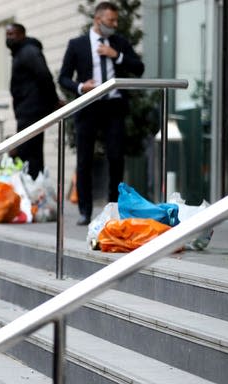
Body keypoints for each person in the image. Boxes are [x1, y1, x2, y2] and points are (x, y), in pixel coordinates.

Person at [58, 1, 145, 225]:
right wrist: (80, 87)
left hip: (114, 107)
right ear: (98, 20)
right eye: (110, 21)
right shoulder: (76, 44)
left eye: (116, 20)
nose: (114, 25)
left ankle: (113, 207)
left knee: (116, 157)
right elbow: (63, 78)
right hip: (88, 106)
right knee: (84, 159)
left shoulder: (119, 43)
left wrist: (117, 55)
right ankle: (85, 211)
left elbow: (139, 68)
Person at [6, 23, 60, 179]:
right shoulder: (20, 52)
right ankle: (34, 189)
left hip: (32, 110)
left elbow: (44, 75)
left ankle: (33, 189)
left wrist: (54, 101)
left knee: (28, 153)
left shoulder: (28, 51)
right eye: (7, 35)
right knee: (31, 152)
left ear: (22, 34)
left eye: (12, 34)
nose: (9, 38)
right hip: (26, 109)